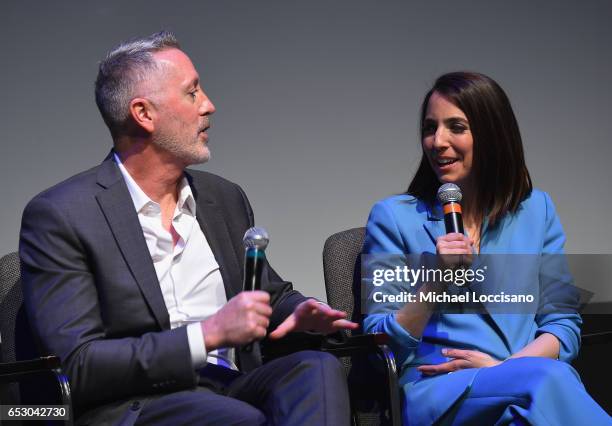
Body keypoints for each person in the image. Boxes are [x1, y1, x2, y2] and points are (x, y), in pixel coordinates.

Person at [19, 31, 356, 425]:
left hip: (231, 383)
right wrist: (206, 335)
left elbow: (265, 291)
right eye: (192, 93)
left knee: (316, 369)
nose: (209, 106)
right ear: (144, 114)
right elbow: (80, 364)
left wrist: (298, 313)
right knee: (235, 418)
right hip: (135, 404)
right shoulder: (63, 215)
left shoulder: (223, 198)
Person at [362, 72, 611, 425]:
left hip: (524, 386)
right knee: (549, 380)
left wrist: (506, 369)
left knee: (531, 402)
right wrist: (435, 282)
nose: (438, 141)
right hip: (441, 392)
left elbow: (562, 324)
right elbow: (379, 344)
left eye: (456, 127)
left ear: (492, 135)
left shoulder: (536, 210)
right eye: (430, 128)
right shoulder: (394, 217)